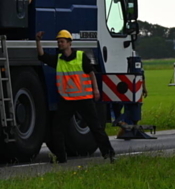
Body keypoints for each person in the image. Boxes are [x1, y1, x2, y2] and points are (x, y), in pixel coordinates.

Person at [35, 29, 116, 163]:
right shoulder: (58, 60)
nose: (59, 44)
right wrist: (38, 41)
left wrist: (95, 90)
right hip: (67, 100)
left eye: (62, 42)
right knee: (57, 129)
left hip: (84, 99)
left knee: (96, 127)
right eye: (58, 42)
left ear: (69, 43)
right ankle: (61, 158)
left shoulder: (81, 56)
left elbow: (91, 73)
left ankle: (109, 154)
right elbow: (42, 56)